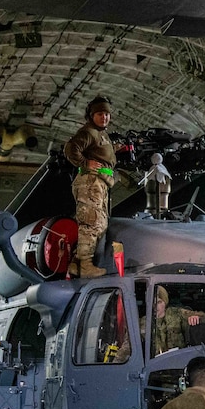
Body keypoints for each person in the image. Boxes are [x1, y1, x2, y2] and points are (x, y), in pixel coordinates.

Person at [64, 96, 117, 279]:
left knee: (98, 224)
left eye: (107, 114)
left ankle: (76, 263)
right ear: (92, 115)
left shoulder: (101, 134)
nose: (104, 117)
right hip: (90, 182)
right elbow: (70, 149)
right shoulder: (89, 132)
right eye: (100, 114)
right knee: (91, 223)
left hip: (100, 182)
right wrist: (85, 163)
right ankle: (85, 265)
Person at [153, 285, 205, 356]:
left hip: (179, 358)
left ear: (165, 302)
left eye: (159, 302)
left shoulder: (177, 314)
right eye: (152, 303)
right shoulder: (144, 323)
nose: (155, 306)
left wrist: (196, 317)